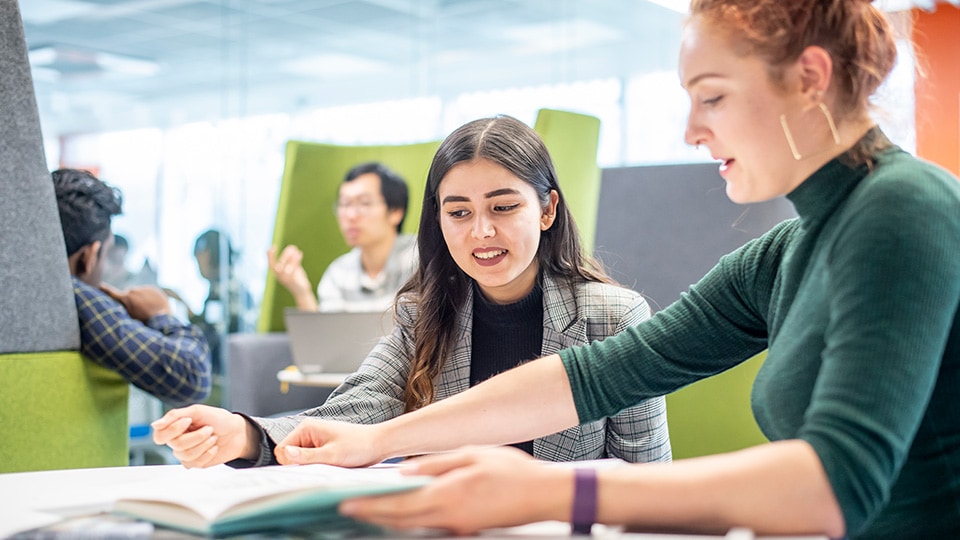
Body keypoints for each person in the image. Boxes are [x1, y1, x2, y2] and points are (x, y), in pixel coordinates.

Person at [204, 1, 959, 539]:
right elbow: (597, 374)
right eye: (458, 211)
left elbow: (837, 485)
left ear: (811, 76)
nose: (693, 130)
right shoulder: (793, 249)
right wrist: (376, 439)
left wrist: (553, 490)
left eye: (712, 98)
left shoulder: (902, 209)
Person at [151, 115, 672, 469]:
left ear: (548, 209)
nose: (481, 232)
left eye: (503, 207)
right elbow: (358, 410)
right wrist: (246, 433)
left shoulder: (614, 319)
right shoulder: (426, 312)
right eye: (459, 212)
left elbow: (648, 482)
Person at [53, 168, 212, 407]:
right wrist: (161, 314)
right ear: (89, 255)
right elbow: (192, 376)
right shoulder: (74, 296)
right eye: (105, 255)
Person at [267, 162, 418, 312]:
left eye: (364, 203)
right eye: (344, 204)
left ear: (396, 212)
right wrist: (301, 291)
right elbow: (326, 334)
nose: (350, 215)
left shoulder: (423, 259)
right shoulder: (338, 273)